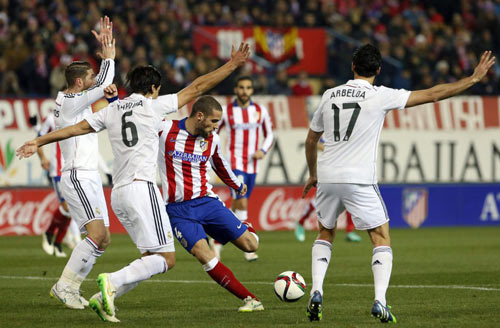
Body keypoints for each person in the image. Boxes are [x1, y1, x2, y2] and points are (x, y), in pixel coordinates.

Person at [17, 44, 252, 321]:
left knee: (150, 257)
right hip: (143, 188)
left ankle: (104, 299)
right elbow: (198, 87)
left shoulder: (111, 110)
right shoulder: (153, 106)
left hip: (119, 194)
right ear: (153, 88)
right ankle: (111, 281)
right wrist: (232, 65)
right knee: (166, 259)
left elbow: (75, 129)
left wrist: (38, 140)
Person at [302, 44, 495, 323]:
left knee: (325, 232)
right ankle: (380, 300)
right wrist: (472, 79)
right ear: (378, 70)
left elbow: (311, 140)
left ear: (352, 67)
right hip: (359, 178)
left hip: (328, 175)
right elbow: (432, 94)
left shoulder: (329, 95)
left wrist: (313, 173)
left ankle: (317, 291)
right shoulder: (381, 95)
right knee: (380, 237)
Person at [158, 95, 264, 312]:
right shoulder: (165, 130)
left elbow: (220, 164)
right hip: (178, 211)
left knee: (251, 245)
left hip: (207, 202)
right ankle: (251, 299)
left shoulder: (212, 139)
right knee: (204, 254)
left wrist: (236, 185)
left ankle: (245, 226)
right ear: (199, 116)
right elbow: (134, 123)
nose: (216, 127)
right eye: (214, 121)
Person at [214, 76, 274, 261]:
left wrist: (263, 151)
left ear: (252, 90)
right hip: (234, 163)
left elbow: (270, 134)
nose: (244, 91)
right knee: (242, 201)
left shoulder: (259, 111)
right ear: (236, 89)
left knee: (238, 204)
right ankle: (248, 246)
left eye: (248, 87)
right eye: (241, 87)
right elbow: (214, 132)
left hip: (253, 165)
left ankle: (217, 240)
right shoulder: (226, 111)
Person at [295, 139, 361, 243]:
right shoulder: (327, 131)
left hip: (342, 171)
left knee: (348, 200)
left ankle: (349, 231)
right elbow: (315, 143)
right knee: (319, 201)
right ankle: (300, 223)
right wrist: (330, 150)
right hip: (328, 170)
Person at [36, 111, 75, 257]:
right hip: (58, 170)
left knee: (72, 208)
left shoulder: (77, 114)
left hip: (74, 169)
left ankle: (58, 243)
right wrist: (43, 158)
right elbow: (39, 138)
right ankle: (49, 233)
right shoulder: (52, 118)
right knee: (66, 206)